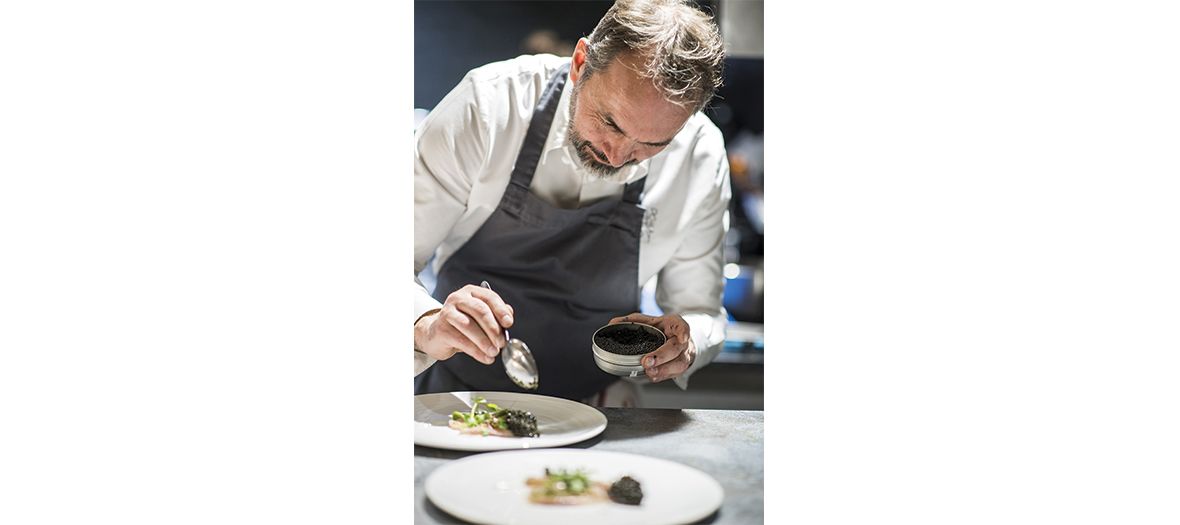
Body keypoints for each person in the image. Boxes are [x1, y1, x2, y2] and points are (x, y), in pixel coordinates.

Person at [413, 0, 731, 404]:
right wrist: (426, 324)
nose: (617, 156)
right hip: (454, 399)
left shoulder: (698, 154)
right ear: (580, 63)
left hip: (597, 409)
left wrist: (685, 343)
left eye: (652, 144)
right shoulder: (488, 107)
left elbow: (700, 310)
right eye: (609, 123)